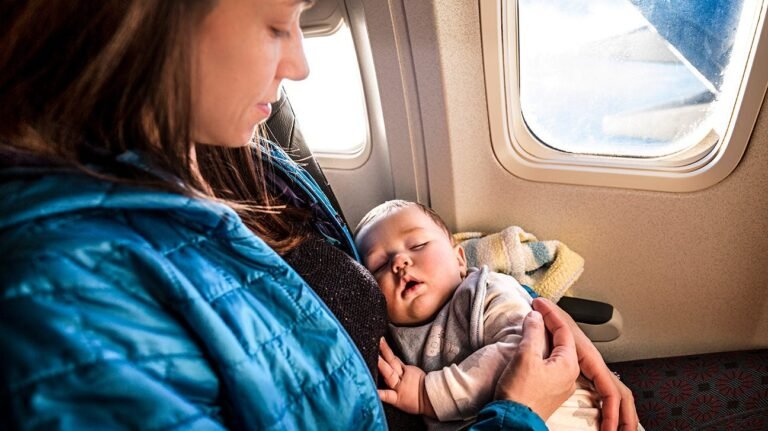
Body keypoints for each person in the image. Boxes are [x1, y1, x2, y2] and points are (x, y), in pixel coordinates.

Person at [0, 1, 636, 430]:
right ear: (146, 25)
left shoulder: (243, 140)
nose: (299, 64)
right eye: (275, 24)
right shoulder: (64, 306)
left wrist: (540, 329)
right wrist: (518, 410)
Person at [355, 200, 641, 430]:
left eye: (417, 245)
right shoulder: (390, 337)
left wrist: (426, 393)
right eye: (379, 264)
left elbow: (523, 354)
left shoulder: (484, 291)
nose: (399, 262)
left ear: (459, 259)